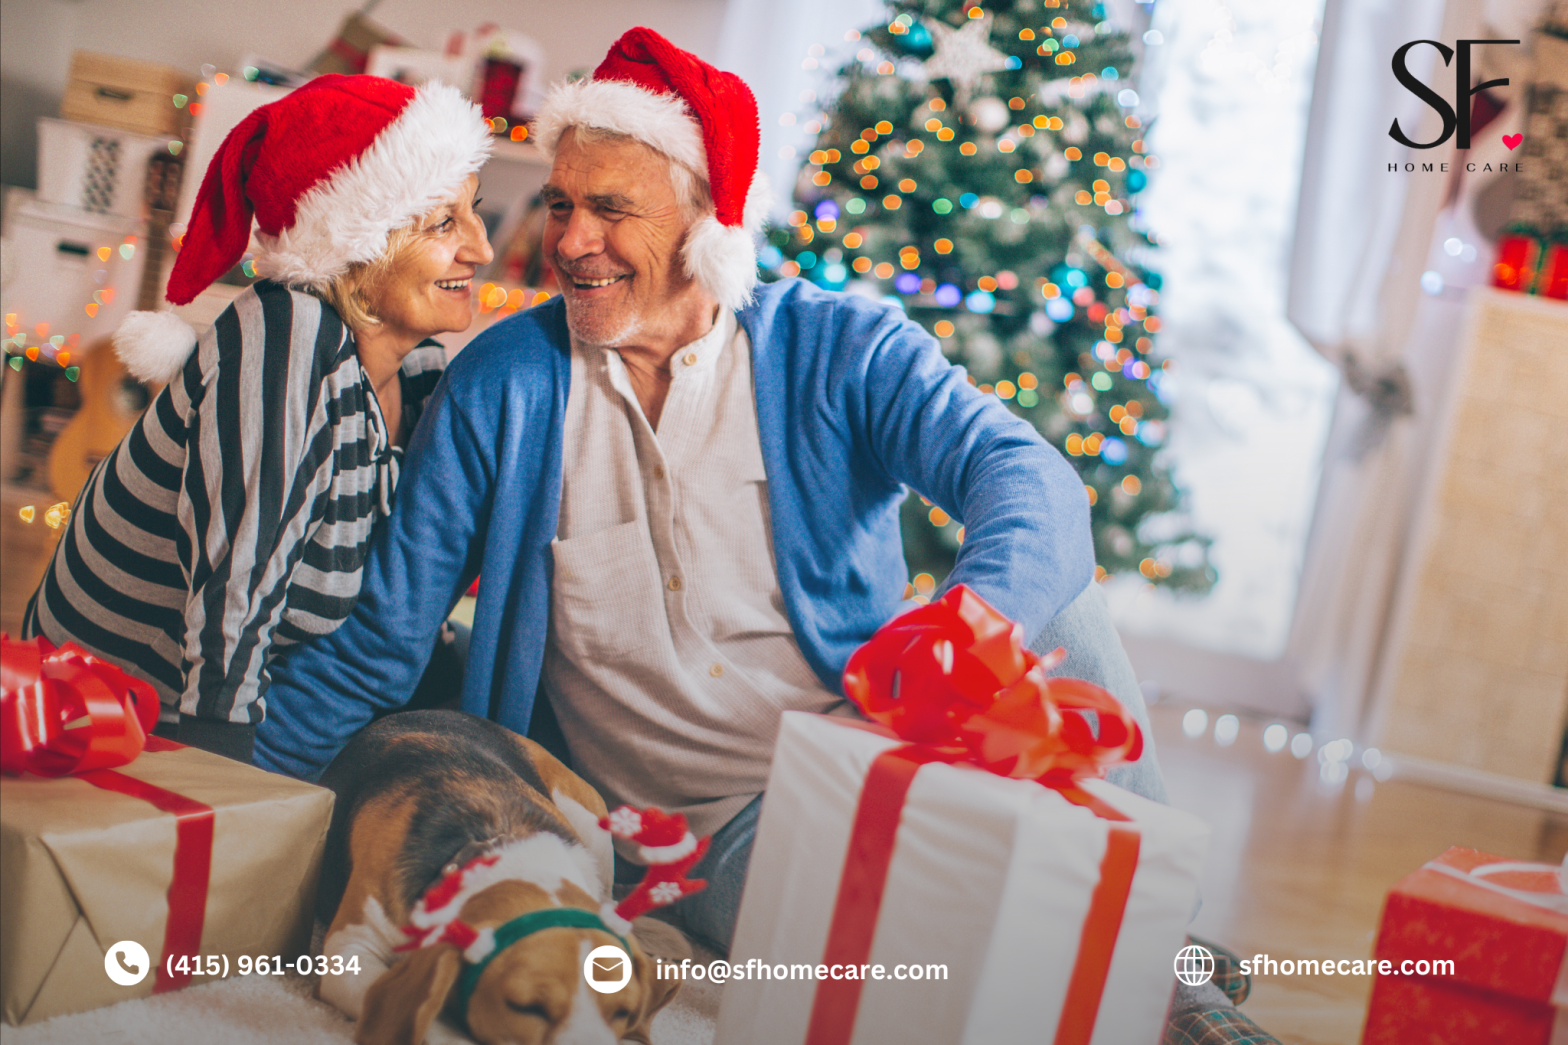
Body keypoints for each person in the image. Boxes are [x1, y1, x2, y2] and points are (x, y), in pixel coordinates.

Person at [24, 74, 494, 763]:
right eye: (443, 223)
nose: (481, 248)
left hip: (207, 692)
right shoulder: (287, 336)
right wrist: (227, 790)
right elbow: (235, 587)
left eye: (474, 211)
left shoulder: (418, 371)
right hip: (103, 715)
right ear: (357, 245)